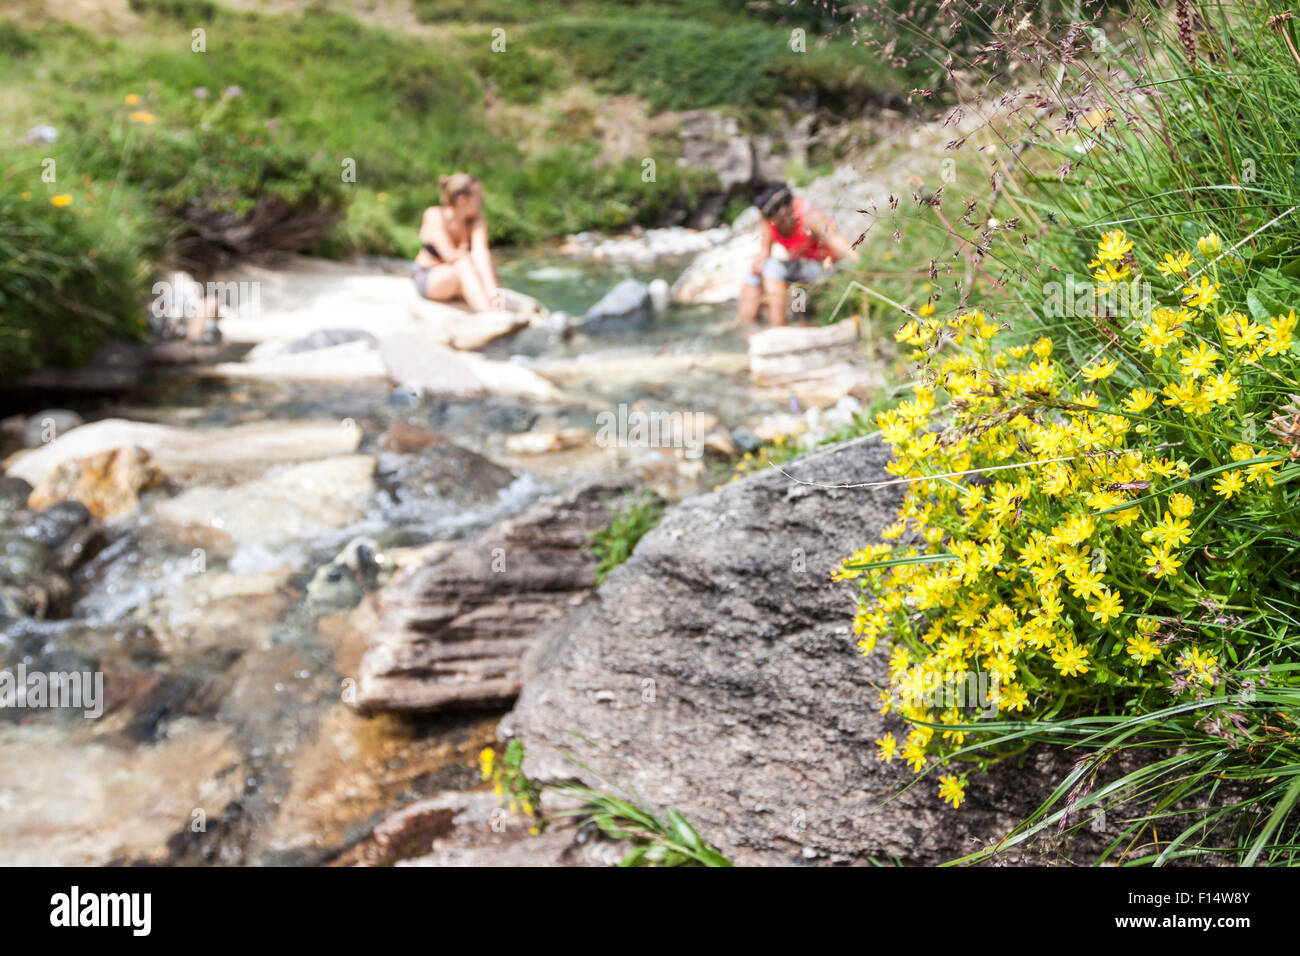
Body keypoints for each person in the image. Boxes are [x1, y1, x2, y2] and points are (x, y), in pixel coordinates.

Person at [732, 183, 855, 328]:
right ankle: (744, 324)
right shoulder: (768, 219)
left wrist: (861, 266)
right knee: (753, 274)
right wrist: (757, 264)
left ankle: (777, 327)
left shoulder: (810, 215)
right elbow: (765, 252)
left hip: (826, 267)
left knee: (772, 268)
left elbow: (840, 245)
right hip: (799, 266)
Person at [413, 173, 501, 313]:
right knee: (463, 264)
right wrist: (469, 256)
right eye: (479, 197)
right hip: (430, 278)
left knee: (487, 268)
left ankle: (494, 308)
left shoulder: (477, 221)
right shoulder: (434, 215)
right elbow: (449, 256)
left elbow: (481, 254)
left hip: (461, 278)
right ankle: (489, 315)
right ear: (462, 199)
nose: (482, 202)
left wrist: (493, 292)